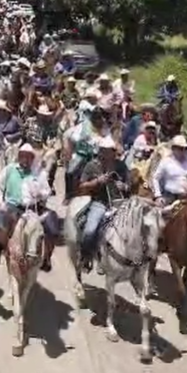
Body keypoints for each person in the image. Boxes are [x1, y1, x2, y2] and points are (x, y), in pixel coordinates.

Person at [0, 144, 58, 271]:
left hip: (34, 207)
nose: (25, 159)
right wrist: (0, 202)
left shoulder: (38, 173)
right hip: (13, 206)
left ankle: (47, 258)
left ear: (32, 158)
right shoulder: (10, 169)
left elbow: (47, 190)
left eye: (28, 157)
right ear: (18, 157)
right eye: (22, 156)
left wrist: (41, 193)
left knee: (52, 225)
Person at [75, 136, 129, 272]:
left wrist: (123, 186)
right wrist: (97, 181)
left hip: (119, 203)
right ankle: (86, 256)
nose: (106, 153)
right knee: (90, 230)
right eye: (103, 150)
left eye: (109, 150)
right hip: (100, 202)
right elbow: (82, 186)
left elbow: (129, 185)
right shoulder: (92, 165)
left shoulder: (121, 166)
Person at [63, 105, 112, 201]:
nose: (101, 120)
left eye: (102, 118)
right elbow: (71, 136)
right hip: (82, 153)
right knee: (70, 171)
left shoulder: (105, 129)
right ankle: (68, 194)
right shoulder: (84, 125)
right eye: (98, 118)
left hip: (97, 156)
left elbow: (108, 140)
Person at [151, 135, 187, 205]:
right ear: (173, 149)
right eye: (180, 149)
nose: (183, 151)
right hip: (169, 196)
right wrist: (158, 196)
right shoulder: (166, 162)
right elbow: (156, 178)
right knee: (162, 211)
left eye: (185, 149)